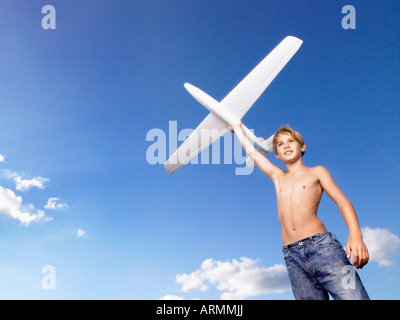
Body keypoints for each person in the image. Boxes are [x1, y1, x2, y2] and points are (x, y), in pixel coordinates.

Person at [228, 121, 370, 300]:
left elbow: (343, 202)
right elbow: (252, 153)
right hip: (292, 256)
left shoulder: (317, 172)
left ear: (302, 147)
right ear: (277, 154)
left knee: (353, 297)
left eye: (291, 141)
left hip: (323, 249)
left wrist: (356, 235)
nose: (286, 145)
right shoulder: (278, 176)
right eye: (280, 144)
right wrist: (239, 130)